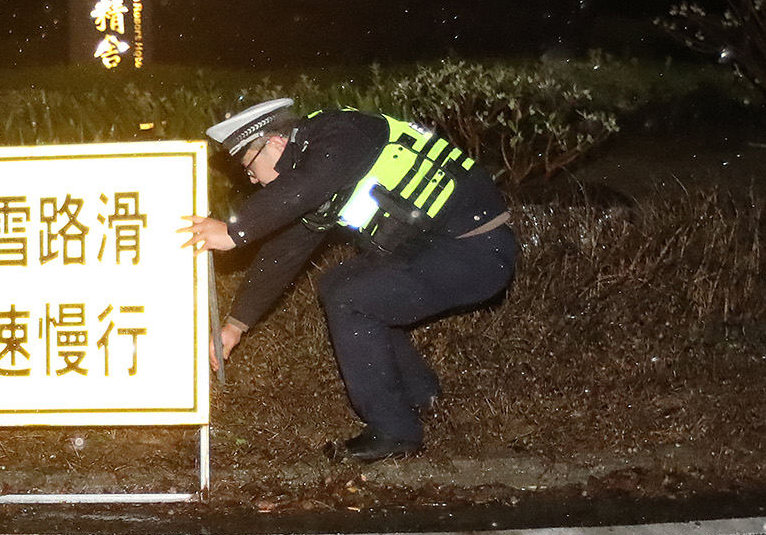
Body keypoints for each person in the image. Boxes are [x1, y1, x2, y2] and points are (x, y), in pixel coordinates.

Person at [180, 98, 517, 462]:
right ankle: (422, 395)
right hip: (442, 248)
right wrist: (236, 324)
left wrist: (234, 231)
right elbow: (285, 251)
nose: (253, 180)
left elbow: (306, 185)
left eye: (250, 167)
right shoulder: (317, 166)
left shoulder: (344, 133)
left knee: (351, 298)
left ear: (274, 143)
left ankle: (394, 431)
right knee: (340, 285)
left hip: (475, 249)